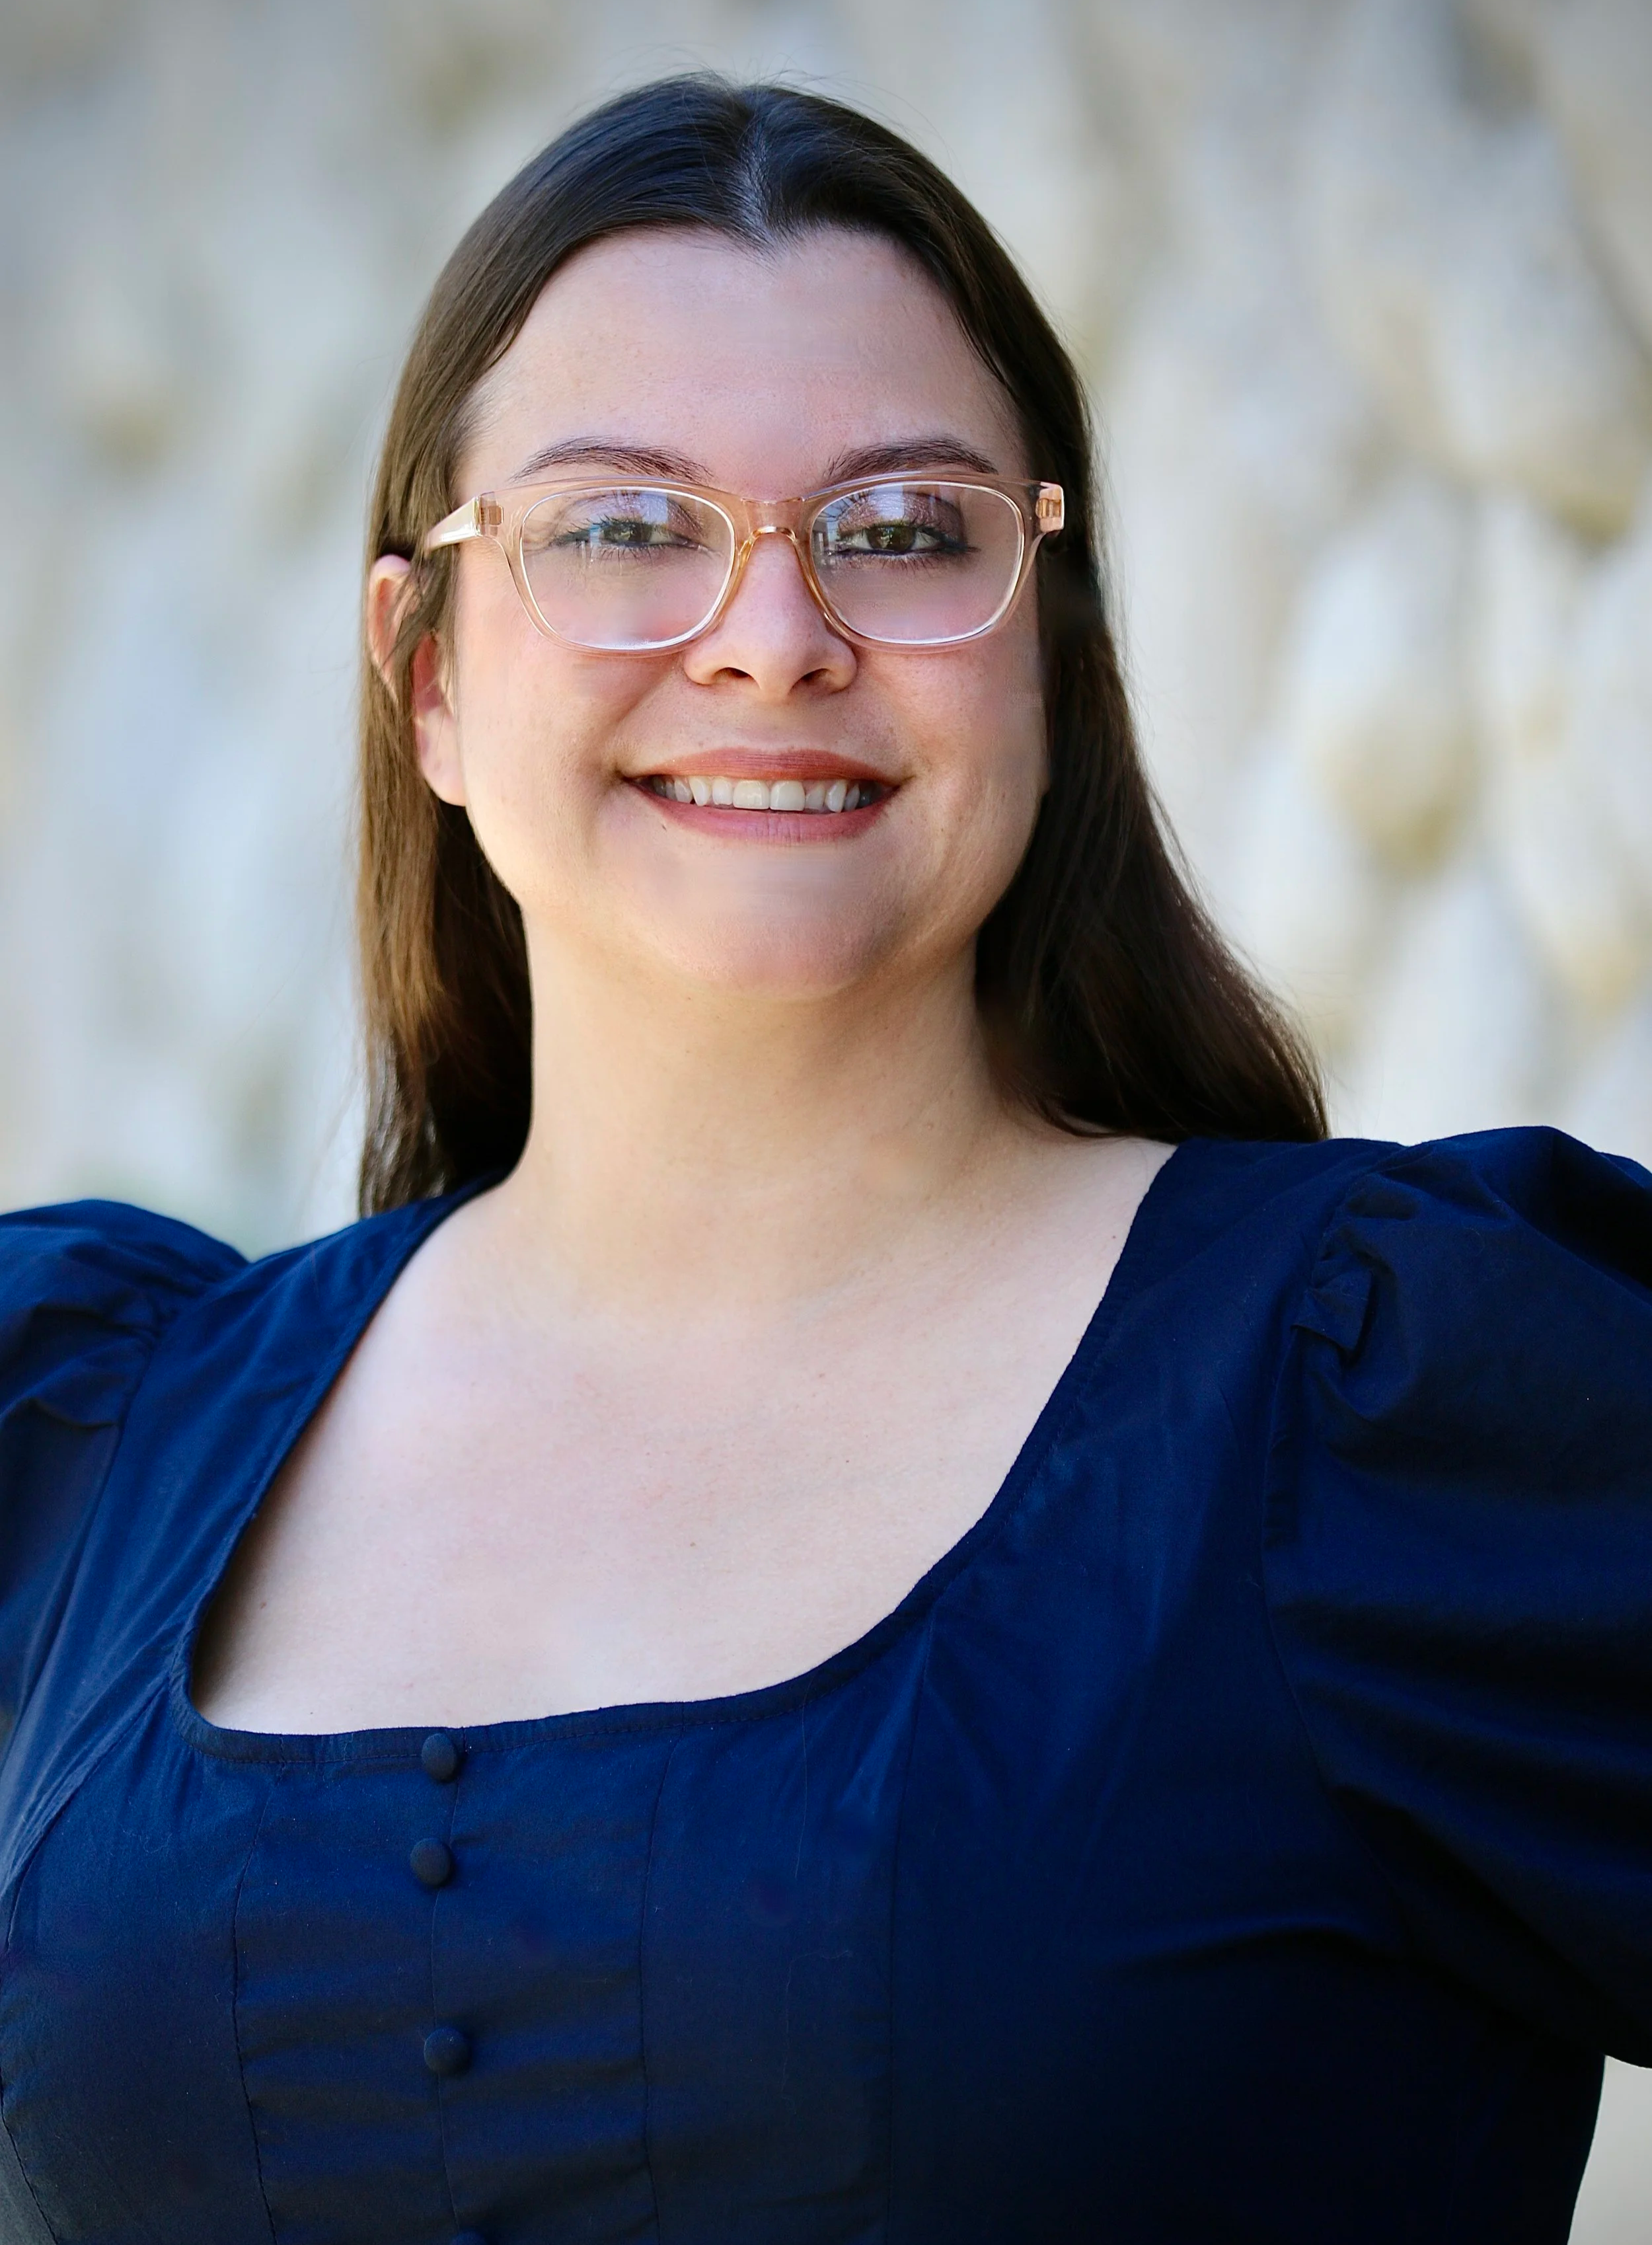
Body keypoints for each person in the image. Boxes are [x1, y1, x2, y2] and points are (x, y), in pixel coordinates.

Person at [0, 75, 1646, 2245]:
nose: (771, 635)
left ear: (1046, 652)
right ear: (425, 683)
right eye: (618, 526)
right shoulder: (87, 1439)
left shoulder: (1392, 1398)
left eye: (900, 529)